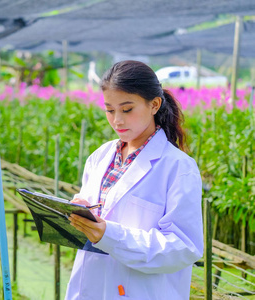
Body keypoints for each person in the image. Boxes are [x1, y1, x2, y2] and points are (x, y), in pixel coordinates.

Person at [65, 60, 203, 300]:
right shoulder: (101, 157)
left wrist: (109, 235)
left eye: (127, 109)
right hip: (91, 289)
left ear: (154, 105)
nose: (117, 120)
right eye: (109, 110)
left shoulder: (178, 167)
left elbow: (183, 247)